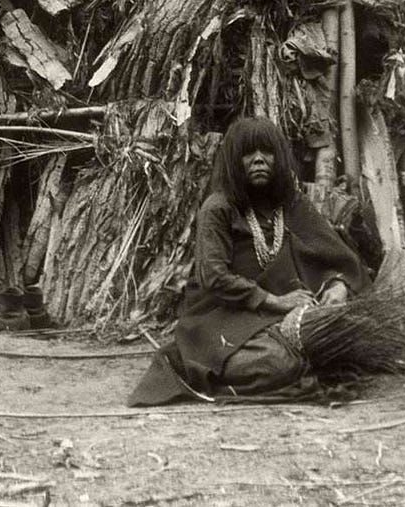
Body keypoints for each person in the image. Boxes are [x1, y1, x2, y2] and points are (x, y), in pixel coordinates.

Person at [129, 116, 369, 406]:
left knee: (355, 334)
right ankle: (218, 366)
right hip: (224, 317)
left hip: (288, 316)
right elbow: (214, 277)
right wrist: (274, 301)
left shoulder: (292, 205)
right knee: (279, 362)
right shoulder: (218, 209)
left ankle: (291, 355)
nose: (258, 160)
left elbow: (336, 256)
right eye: (248, 153)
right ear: (234, 160)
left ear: (279, 158)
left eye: (266, 152)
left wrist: (337, 285)